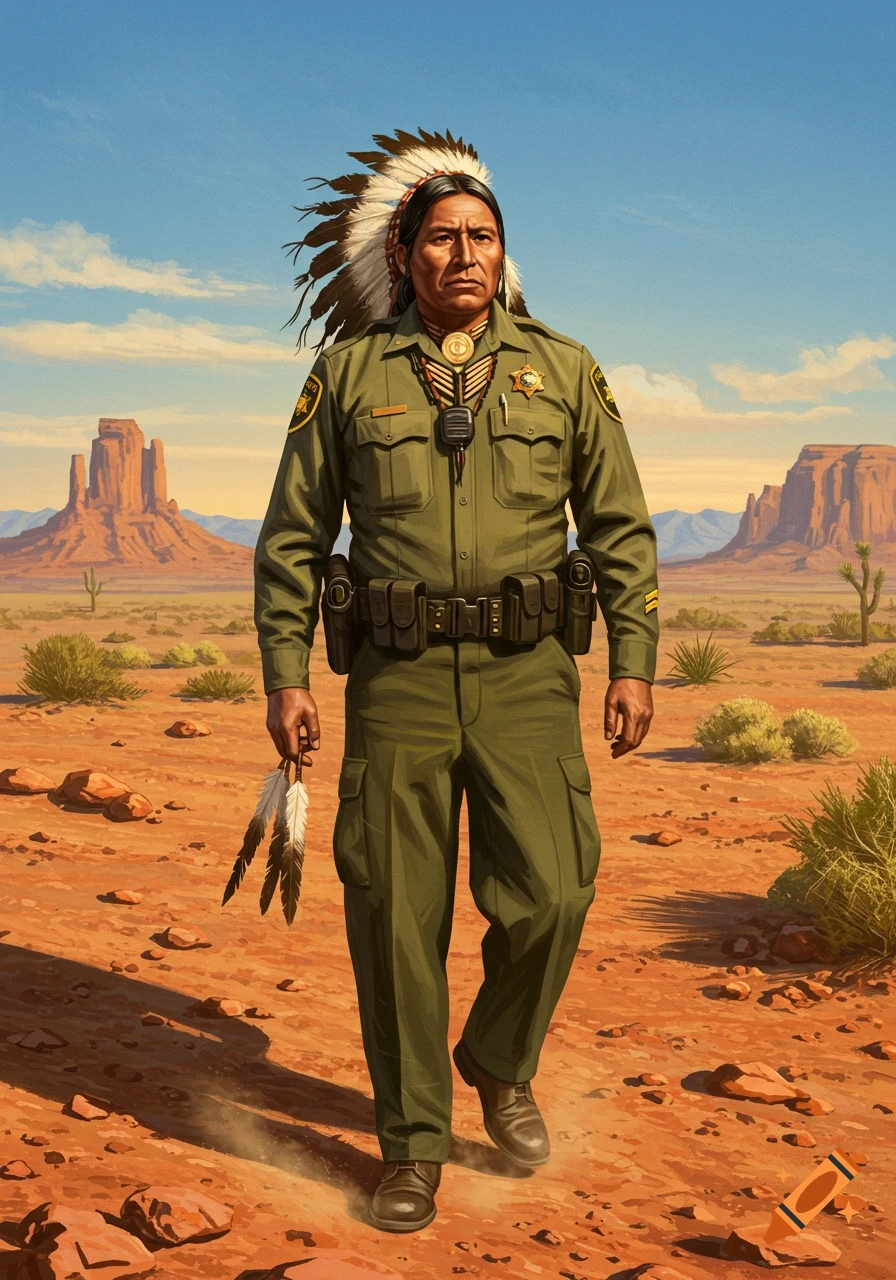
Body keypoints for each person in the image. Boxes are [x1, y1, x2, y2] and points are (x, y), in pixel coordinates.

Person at [255, 129, 659, 1233]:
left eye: (482, 237)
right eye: (441, 238)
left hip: (529, 674)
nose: (464, 255)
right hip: (394, 680)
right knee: (394, 913)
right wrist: (285, 675)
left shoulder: (565, 370)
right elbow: (293, 539)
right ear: (405, 251)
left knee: (555, 892)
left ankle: (494, 1054)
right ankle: (412, 1145)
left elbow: (618, 528)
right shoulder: (346, 376)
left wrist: (632, 657)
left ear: (502, 253)